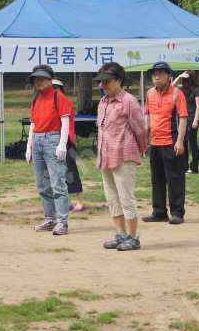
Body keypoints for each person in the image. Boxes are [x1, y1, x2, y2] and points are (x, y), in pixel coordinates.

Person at [95, 62, 147, 251]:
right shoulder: (103, 102)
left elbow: (140, 128)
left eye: (107, 81)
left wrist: (139, 149)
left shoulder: (128, 101)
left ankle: (133, 237)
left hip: (124, 155)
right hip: (105, 156)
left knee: (126, 197)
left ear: (119, 80)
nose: (103, 86)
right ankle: (120, 234)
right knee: (112, 198)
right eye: (101, 82)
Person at [26, 64, 72, 235]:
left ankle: (62, 221)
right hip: (38, 140)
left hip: (53, 138)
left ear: (50, 79)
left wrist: (62, 143)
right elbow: (33, 124)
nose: (38, 82)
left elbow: (65, 120)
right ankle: (50, 218)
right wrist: (29, 146)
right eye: (35, 79)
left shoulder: (58, 96)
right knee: (42, 184)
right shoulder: (36, 99)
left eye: (41, 78)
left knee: (57, 182)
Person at [142, 61, 188, 225]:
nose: (157, 77)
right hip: (155, 143)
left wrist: (180, 141)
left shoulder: (177, 94)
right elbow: (147, 117)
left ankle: (177, 213)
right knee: (157, 179)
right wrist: (144, 139)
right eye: (154, 74)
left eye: (161, 74)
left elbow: (183, 118)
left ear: (169, 76)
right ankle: (159, 212)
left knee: (175, 179)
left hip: (172, 142)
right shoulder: (149, 94)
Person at [52, 78, 85, 211]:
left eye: (57, 88)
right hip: (53, 141)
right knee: (59, 173)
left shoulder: (66, 102)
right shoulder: (47, 102)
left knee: (71, 171)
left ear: (62, 90)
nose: (54, 90)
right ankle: (67, 202)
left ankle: (80, 202)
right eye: (52, 87)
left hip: (66, 141)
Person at [173, 70, 199, 174]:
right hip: (183, 120)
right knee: (183, 143)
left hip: (191, 120)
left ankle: (194, 167)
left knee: (192, 144)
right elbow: (171, 86)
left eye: (186, 78)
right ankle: (184, 166)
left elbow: (198, 106)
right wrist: (179, 76)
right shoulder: (183, 89)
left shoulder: (196, 90)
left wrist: (195, 120)